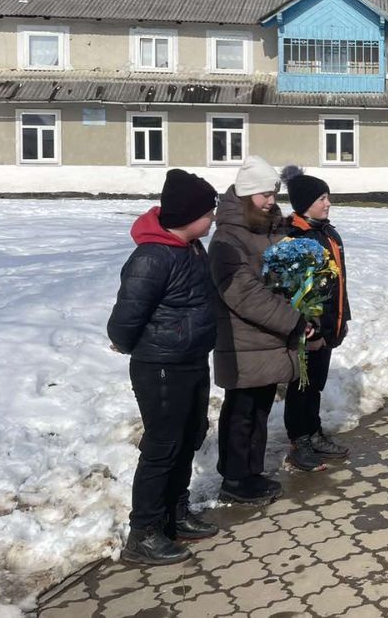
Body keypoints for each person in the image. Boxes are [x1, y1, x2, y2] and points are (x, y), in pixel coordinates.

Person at [107, 169, 220, 565]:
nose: (213, 219)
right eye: (209, 213)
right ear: (188, 216)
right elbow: (123, 321)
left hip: (191, 361)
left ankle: (175, 511)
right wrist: (130, 344)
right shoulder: (152, 258)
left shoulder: (191, 249)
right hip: (161, 367)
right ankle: (145, 533)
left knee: (190, 436)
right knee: (162, 447)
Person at [209, 156, 309, 506]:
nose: (271, 200)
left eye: (274, 193)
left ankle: (251, 473)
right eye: (265, 194)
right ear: (248, 193)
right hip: (243, 339)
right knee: (241, 411)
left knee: (260, 410)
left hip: (269, 338)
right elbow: (242, 292)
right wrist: (290, 319)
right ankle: (234, 478)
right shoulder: (227, 237)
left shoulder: (269, 228)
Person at [279, 166, 352, 471]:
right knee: (302, 386)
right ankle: (300, 442)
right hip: (307, 331)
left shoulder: (326, 232)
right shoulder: (295, 236)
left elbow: (337, 282)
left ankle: (314, 431)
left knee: (316, 385)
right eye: (322, 198)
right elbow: (292, 290)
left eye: (328, 197)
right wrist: (309, 327)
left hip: (328, 326)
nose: (327, 203)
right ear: (305, 202)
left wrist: (342, 317)